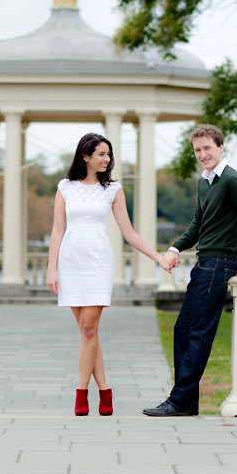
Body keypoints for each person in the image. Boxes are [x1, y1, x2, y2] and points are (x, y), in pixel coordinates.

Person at [143, 124, 237, 417]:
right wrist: (174, 249)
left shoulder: (232, 181)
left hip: (219, 264)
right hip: (204, 263)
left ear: (221, 147)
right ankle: (186, 401)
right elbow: (198, 225)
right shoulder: (205, 182)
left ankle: (180, 401)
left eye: (207, 148)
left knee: (197, 333)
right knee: (183, 330)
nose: (202, 155)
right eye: (198, 150)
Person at [47, 133, 170, 416]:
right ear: (85, 156)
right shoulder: (65, 187)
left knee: (89, 328)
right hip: (71, 264)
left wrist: (158, 257)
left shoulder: (112, 189)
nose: (107, 159)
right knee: (87, 332)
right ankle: (104, 391)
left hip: (98, 265)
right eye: (101, 154)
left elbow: (129, 233)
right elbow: (57, 230)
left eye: (108, 154)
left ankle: (81, 393)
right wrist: (52, 268)